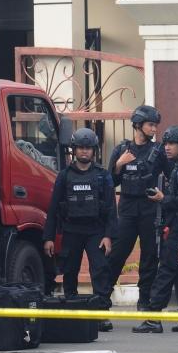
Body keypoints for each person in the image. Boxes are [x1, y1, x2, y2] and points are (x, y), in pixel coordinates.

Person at [104, 105, 169, 331]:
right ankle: (102, 305)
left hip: (149, 208)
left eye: (155, 126)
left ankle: (145, 306)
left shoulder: (158, 151)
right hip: (127, 208)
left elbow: (171, 177)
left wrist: (164, 197)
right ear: (138, 125)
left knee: (149, 258)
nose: (154, 129)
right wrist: (119, 165)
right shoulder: (122, 148)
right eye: (151, 125)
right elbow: (109, 183)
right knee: (116, 255)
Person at [133, 125, 178, 333]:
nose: (167, 148)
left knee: (166, 271)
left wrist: (164, 199)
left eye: (171, 144)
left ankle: (153, 317)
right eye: (166, 144)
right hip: (177, 226)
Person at [42, 128, 116, 306]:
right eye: (81, 147)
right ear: (74, 149)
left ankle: (101, 313)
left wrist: (108, 236)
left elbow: (111, 208)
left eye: (88, 147)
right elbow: (53, 209)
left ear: (94, 150)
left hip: (96, 232)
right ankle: (71, 311)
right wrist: (48, 238)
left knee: (100, 270)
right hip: (71, 230)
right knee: (69, 270)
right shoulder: (64, 176)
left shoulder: (102, 175)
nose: (84, 151)